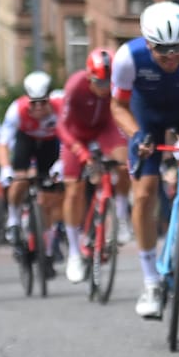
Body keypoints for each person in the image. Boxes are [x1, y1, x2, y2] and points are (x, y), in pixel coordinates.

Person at [109, 0, 179, 319]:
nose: (171, 57)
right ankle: (151, 280)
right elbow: (118, 107)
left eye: (177, 48)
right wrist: (137, 135)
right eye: (162, 50)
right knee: (144, 191)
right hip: (146, 118)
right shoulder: (128, 57)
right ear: (148, 43)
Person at [57, 48, 132, 284]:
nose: (105, 88)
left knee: (123, 161)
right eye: (99, 82)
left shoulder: (118, 84)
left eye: (109, 83)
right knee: (74, 190)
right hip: (76, 134)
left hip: (105, 128)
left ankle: (120, 217)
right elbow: (62, 126)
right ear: (89, 76)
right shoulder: (75, 86)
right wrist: (80, 152)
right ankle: (73, 252)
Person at [0, 71, 65, 274]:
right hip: (25, 141)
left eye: (42, 103)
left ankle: (48, 243)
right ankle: (14, 220)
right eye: (33, 103)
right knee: (19, 180)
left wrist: (61, 164)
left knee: (51, 197)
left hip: (50, 145)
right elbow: (3, 143)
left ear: (49, 99)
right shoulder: (16, 110)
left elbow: (68, 138)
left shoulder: (60, 107)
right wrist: (5, 169)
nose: (38, 108)